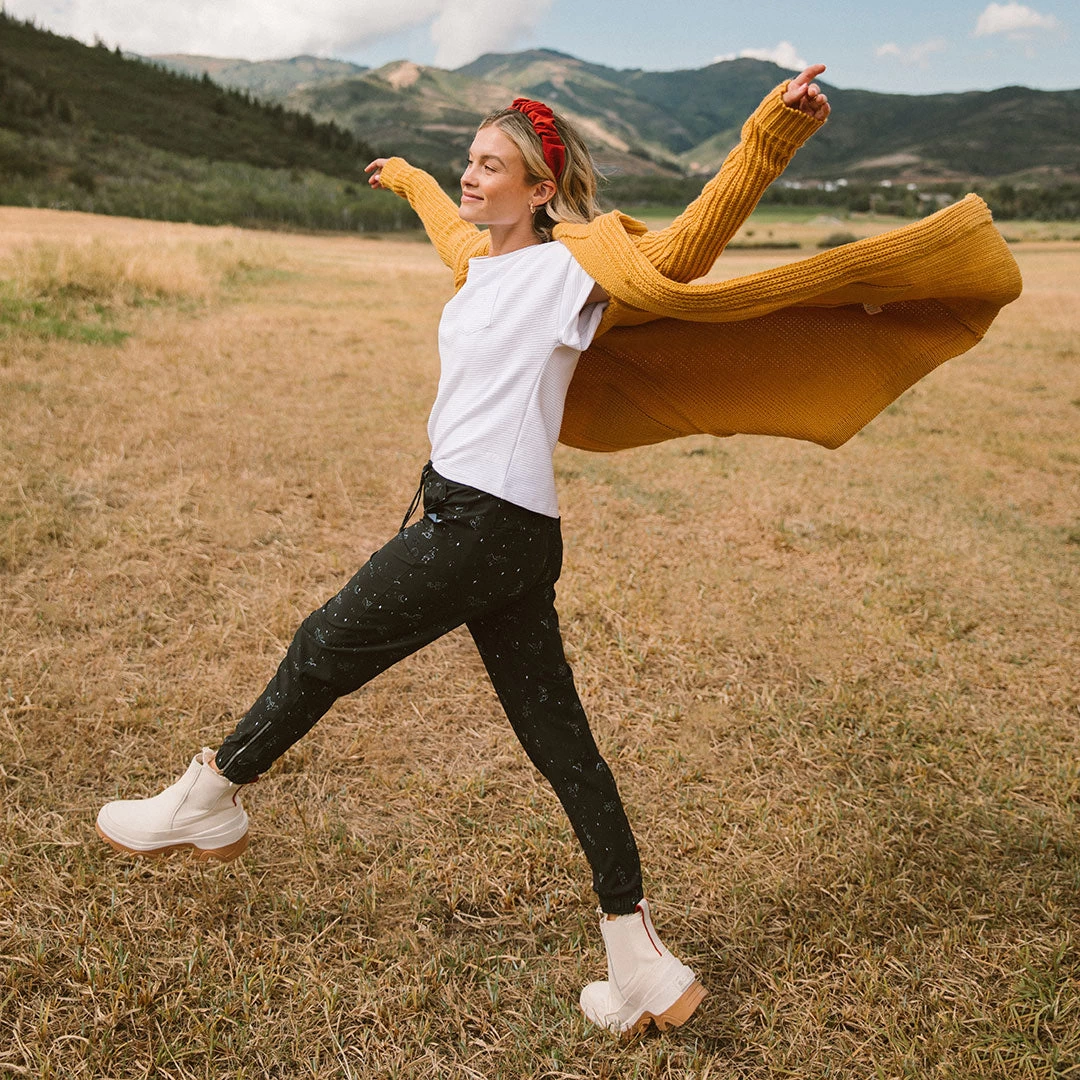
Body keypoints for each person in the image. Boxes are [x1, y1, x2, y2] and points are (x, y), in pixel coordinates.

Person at [100, 63, 996, 1036]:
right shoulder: (477, 265)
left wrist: (770, 135)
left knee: (324, 645)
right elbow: (445, 219)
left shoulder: (571, 268)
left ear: (540, 189)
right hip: (505, 530)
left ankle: (210, 798)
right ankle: (638, 964)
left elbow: (691, 244)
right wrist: (404, 174)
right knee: (561, 745)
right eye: (468, 163)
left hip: (480, 525)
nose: (473, 177)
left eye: (493, 167)